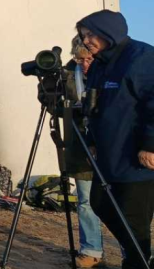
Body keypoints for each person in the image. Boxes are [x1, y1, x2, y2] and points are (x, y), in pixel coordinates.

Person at [76, 10, 154, 269]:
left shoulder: (141, 57)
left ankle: (138, 260)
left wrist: (150, 144)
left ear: (108, 31)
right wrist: (91, 140)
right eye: (83, 35)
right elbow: (93, 106)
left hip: (136, 160)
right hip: (108, 156)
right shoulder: (99, 64)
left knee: (134, 221)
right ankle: (141, 256)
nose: (86, 41)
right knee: (99, 202)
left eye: (90, 34)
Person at [62, 35, 105, 268]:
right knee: (85, 201)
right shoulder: (68, 75)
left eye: (89, 59)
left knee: (121, 201)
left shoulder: (110, 73)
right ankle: (91, 249)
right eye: (80, 61)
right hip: (80, 146)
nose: (85, 65)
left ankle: (131, 250)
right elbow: (58, 109)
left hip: (109, 145)